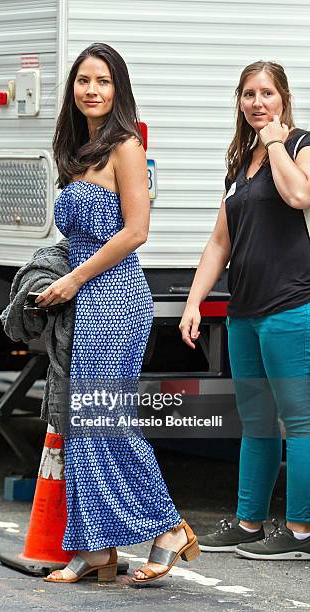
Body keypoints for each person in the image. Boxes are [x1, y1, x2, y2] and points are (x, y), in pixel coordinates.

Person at [34, 42, 200, 583]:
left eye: (103, 81)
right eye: (84, 80)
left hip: (115, 297)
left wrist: (74, 279)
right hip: (85, 298)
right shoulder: (77, 150)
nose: (92, 90)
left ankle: (168, 527)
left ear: (118, 89)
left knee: (104, 419)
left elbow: (136, 231)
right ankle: (96, 550)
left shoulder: (126, 146)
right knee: (84, 424)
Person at [179, 61, 310, 560]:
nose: (258, 103)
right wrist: (194, 302)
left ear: (284, 98)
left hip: (291, 308)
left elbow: (300, 194)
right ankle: (249, 523)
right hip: (245, 312)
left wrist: (277, 142)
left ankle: (301, 532)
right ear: (239, 101)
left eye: (267, 94)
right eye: (248, 94)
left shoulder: (299, 146)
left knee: (299, 422)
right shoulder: (239, 164)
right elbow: (219, 242)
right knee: (254, 421)